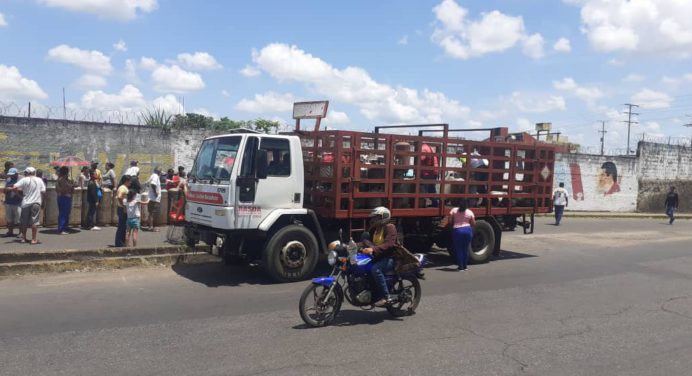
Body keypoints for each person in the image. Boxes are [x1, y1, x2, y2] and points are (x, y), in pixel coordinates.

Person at [361, 206, 398, 307]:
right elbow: (368, 242)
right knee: (362, 267)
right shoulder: (375, 230)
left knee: (375, 270)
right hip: (378, 257)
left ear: (384, 217)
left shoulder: (390, 227)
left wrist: (373, 249)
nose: (373, 220)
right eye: (373, 218)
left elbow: (389, 244)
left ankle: (386, 297)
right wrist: (350, 246)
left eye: (376, 217)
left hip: (389, 258)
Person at [7, 167, 46, 245]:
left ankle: (23, 238)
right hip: (36, 203)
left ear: (27, 173)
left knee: (23, 222)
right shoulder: (39, 180)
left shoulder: (24, 179)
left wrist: (13, 190)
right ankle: (34, 239)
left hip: (25, 203)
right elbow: (43, 191)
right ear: (34, 172)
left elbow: (14, 187)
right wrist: (43, 202)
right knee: (34, 222)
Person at [447, 200, 476, 271]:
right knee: (465, 249)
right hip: (467, 230)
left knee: (459, 249)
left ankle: (460, 267)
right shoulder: (470, 212)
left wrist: (453, 224)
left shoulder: (454, 210)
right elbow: (473, 223)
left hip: (457, 230)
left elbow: (450, 221)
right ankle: (465, 266)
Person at [2, 168, 22, 238]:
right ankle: (10, 231)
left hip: (18, 202)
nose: (11, 176)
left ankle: (21, 232)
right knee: (9, 218)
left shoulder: (21, 179)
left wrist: (15, 189)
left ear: (16, 173)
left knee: (19, 219)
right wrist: (7, 189)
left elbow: (23, 190)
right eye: (10, 175)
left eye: (12, 175)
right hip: (8, 202)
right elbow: (4, 190)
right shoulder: (8, 180)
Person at [55, 166, 75, 235]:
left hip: (63, 198)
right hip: (64, 197)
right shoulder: (62, 180)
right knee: (63, 213)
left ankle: (65, 227)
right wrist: (71, 186)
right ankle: (61, 229)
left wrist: (71, 185)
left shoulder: (62, 179)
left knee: (65, 213)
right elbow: (63, 189)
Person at [114, 176, 132, 247]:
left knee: (123, 226)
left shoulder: (123, 187)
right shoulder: (123, 188)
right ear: (126, 181)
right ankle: (119, 243)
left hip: (121, 208)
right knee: (121, 226)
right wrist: (123, 206)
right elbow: (119, 197)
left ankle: (121, 242)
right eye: (129, 181)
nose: (130, 182)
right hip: (122, 209)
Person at [145, 166, 162, 232]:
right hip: (154, 198)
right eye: (160, 172)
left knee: (151, 213)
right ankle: (151, 227)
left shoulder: (152, 175)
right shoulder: (155, 176)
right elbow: (153, 184)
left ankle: (150, 226)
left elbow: (148, 183)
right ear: (158, 171)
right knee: (152, 213)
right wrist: (155, 193)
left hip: (151, 197)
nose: (160, 173)